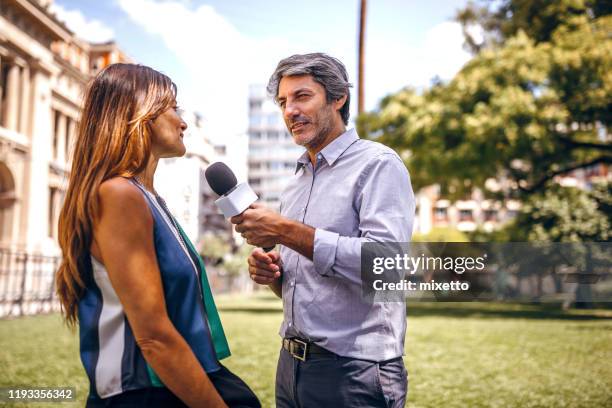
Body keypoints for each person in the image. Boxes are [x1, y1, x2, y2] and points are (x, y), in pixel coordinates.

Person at [55, 63, 260, 408]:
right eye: (172, 108)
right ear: (138, 114)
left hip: (179, 384)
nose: (182, 122)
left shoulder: (148, 198)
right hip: (145, 394)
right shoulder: (120, 196)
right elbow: (153, 339)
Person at [230, 53, 415, 407]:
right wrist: (272, 275)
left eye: (302, 96)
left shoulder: (379, 165)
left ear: (338, 97)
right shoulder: (296, 183)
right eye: (283, 102)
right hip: (291, 367)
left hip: (355, 372)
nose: (289, 111)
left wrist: (284, 230)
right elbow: (304, 285)